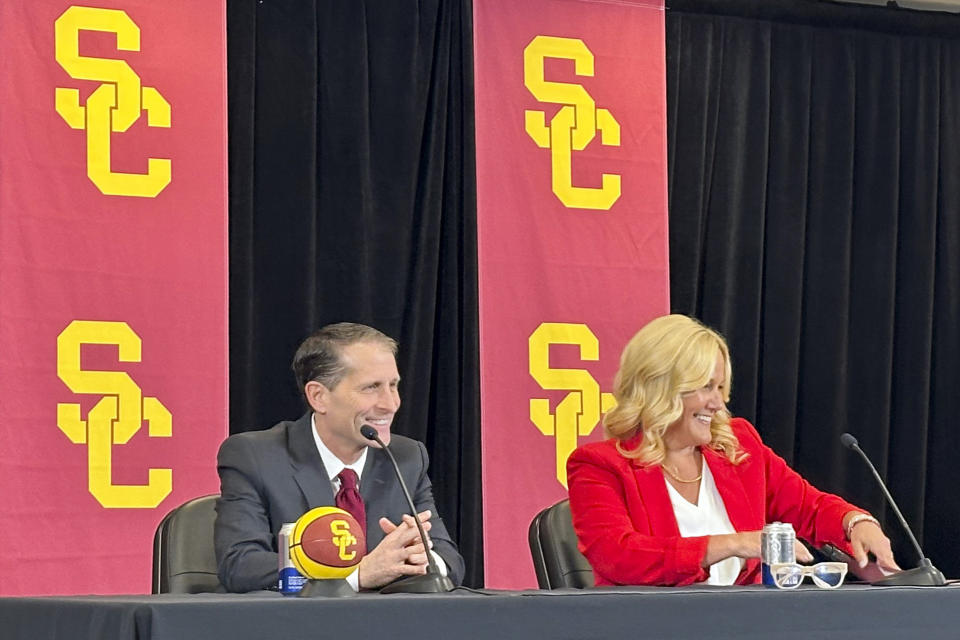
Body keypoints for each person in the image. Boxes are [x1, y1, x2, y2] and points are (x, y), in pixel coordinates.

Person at [567, 314, 899, 587]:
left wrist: (856, 523)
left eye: (721, 388)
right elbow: (618, 556)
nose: (718, 402)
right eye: (705, 387)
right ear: (660, 388)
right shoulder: (599, 465)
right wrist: (732, 543)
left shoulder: (738, 446)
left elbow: (807, 505)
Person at [215, 322, 465, 592]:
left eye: (393, 385)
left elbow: (450, 563)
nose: (390, 404)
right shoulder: (256, 457)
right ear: (319, 396)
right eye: (371, 388)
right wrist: (359, 574)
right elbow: (240, 565)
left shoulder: (406, 458)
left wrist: (422, 558)